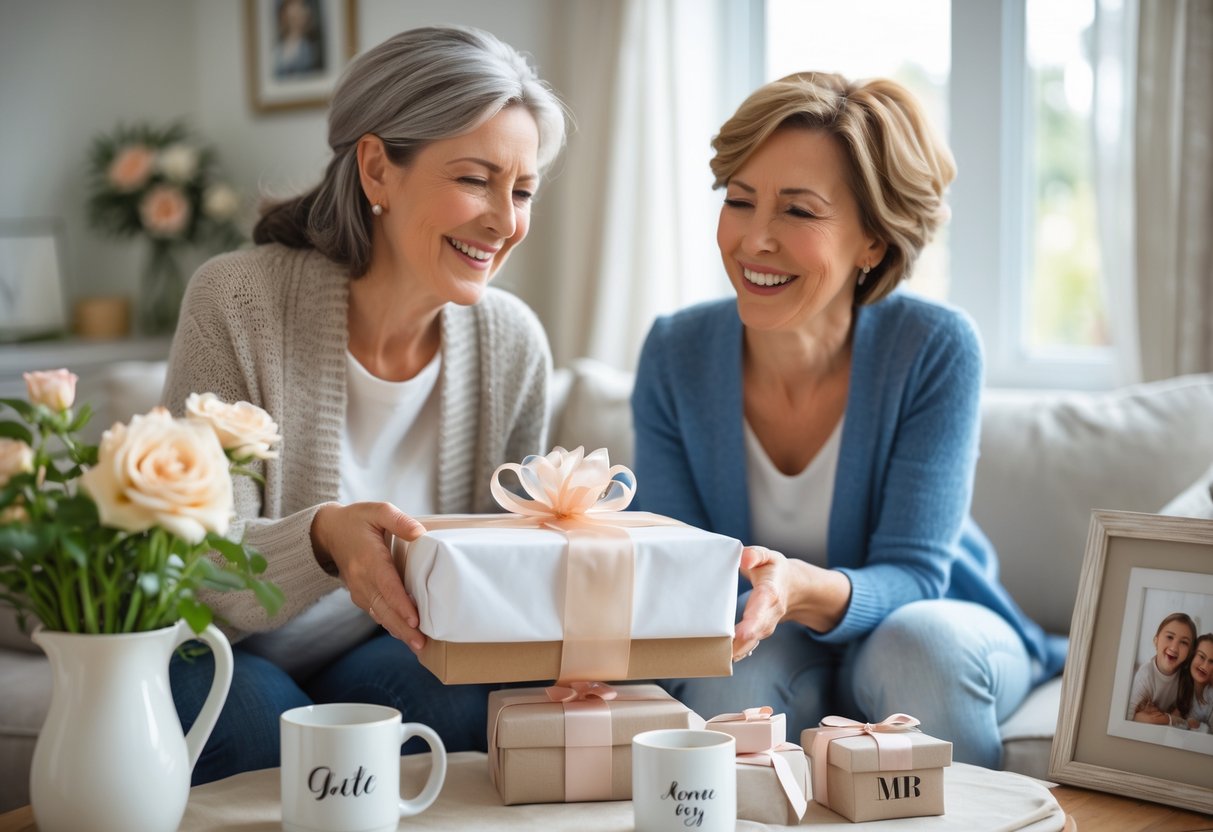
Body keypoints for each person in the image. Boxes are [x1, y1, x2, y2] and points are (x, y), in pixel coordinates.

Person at [163, 25, 567, 784]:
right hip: (215, 642)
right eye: (476, 179)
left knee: (452, 702)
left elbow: (507, 572)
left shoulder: (513, 343)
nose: (503, 220)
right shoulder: (237, 299)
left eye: (521, 191)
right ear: (378, 169)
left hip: (373, 655)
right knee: (252, 727)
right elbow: (200, 562)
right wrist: (323, 539)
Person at [631, 71, 1067, 769]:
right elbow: (680, 566)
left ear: (871, 241)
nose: (754, 239)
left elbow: (917, 573)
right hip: (764, 631)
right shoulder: (674, 352)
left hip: (931, 619)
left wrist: (801, 589)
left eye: (797, 212)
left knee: (916, 649)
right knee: (734, 673)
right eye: (739, 201)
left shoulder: (933, 347)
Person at [1126, 612, 1197, 723]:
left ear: (1189, 653)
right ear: (1156, 640)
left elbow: (1188, 722)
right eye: (1169, 637)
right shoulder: (1146, 675)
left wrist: (1162, 719)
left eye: (1183, 642)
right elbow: (1128, 717)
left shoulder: (1187, 677)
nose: (1174, 647)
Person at [1170, 631, 1212, 731]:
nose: (1204, 666)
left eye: (1212, 662)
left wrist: (1199, 727)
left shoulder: (1211, 694)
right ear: (1192, 656)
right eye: (1201, 656)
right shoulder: (1178, 683)